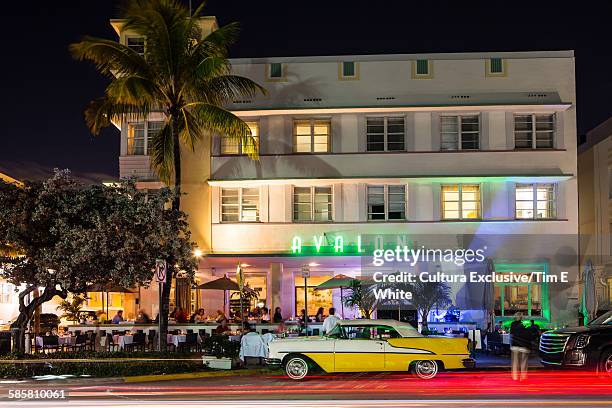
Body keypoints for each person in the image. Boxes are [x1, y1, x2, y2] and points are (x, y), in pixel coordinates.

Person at [510, 312, 533, 381]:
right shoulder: (525, 324)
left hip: (515, 346)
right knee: (524, 362)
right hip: (524, 346)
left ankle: (515, 377)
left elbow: (511, 334)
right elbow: (529, 334)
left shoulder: (512, 324)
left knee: (515, 363)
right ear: (522, 317)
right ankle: (523, 377)